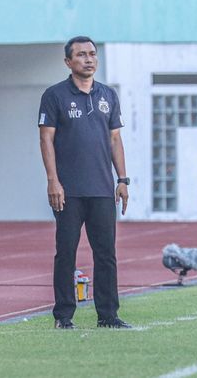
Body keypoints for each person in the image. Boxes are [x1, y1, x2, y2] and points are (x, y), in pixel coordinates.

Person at [38, 36, 131, 329]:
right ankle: (63, 316)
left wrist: (123, 179)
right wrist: (53, 181)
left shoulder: (108, 95)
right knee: (66, 252)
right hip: (68, 191)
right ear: (68, 62)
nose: (88, 59)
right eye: (81, 55)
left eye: (92, 54)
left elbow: (115, 138)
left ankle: (108, 315)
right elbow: (46, 138)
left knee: (106, 254)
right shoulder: (54, 96)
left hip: (103, 189)